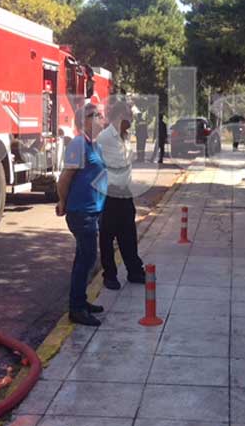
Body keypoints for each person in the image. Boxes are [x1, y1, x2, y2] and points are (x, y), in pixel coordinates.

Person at [56, 103, 108, 327]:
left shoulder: (94, 144)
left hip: (93, 211)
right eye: (97, 115)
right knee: (87, 258)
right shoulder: (78, 143)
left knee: (84, 258)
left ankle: (80, 301)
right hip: (81, 213)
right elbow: (64, 178)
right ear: (85, 120)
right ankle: (76, 308)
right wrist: (62, 201)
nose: (101, 119)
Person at [97, 102, 146, 290]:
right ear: (119, 117)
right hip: (109, 194)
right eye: (129, 116)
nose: (132, 120)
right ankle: (110, 275)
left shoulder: (126, 137)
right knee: (107, 236)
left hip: (125, 193)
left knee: (129, 234)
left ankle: (134, 271)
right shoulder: (104, 138)